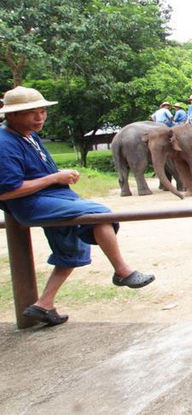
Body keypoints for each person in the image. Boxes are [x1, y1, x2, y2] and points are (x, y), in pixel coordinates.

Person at [0, 86, 155, 326]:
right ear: (12, 115)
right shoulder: (5, 143)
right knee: (98, 214)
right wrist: (55, 178)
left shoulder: (30, 136)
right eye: (32, 113)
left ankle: (44, 305)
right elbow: (8, 190)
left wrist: (60, 177)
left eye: (42, 111)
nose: (40, 117)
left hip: (54, 199)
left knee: (70, 252)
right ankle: (122, 272)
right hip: (32, 205)